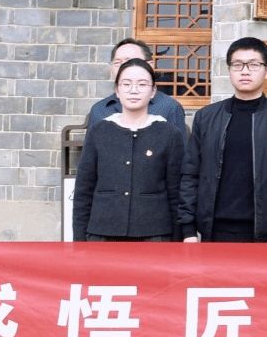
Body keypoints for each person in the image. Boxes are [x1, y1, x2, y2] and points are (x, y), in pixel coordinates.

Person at [181, 37, 267, 243]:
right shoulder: (206, 117)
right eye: (238, 65)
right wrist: (188, 230)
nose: (245, 71)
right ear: (229, 70)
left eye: (254, 65)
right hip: (216, 230)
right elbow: (190, 174)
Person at [72, 58, 191, 242]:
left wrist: (177, 240)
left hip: (154, 234)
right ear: (117, 90)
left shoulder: (169, 133)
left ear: (153, 91)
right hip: (103, 232)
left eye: (142, 84)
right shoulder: (99, 131)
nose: (133, 90)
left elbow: (176, 192)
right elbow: (84, 190)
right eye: (126, 84)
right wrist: (79, 240)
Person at [84, 37, 185, 136]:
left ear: (150, 65)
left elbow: (178, 146)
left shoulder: (169, 107)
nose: (123, 67)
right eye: (117, 63)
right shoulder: (99, 110)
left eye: (130, 61)